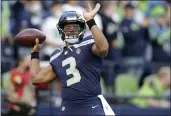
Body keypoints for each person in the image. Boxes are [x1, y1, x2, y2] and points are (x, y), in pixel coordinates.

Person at [30, 3, 115, 115]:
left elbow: (104, 48)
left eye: (75, 27)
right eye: (67, 27)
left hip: (91, 104)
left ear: (81, 29)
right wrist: (35, 54)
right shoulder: (57, 55)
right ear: (61, 30)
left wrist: (90, 21)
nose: (71, 30)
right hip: (69, 107)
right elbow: (36, 78)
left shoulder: (88, 43)